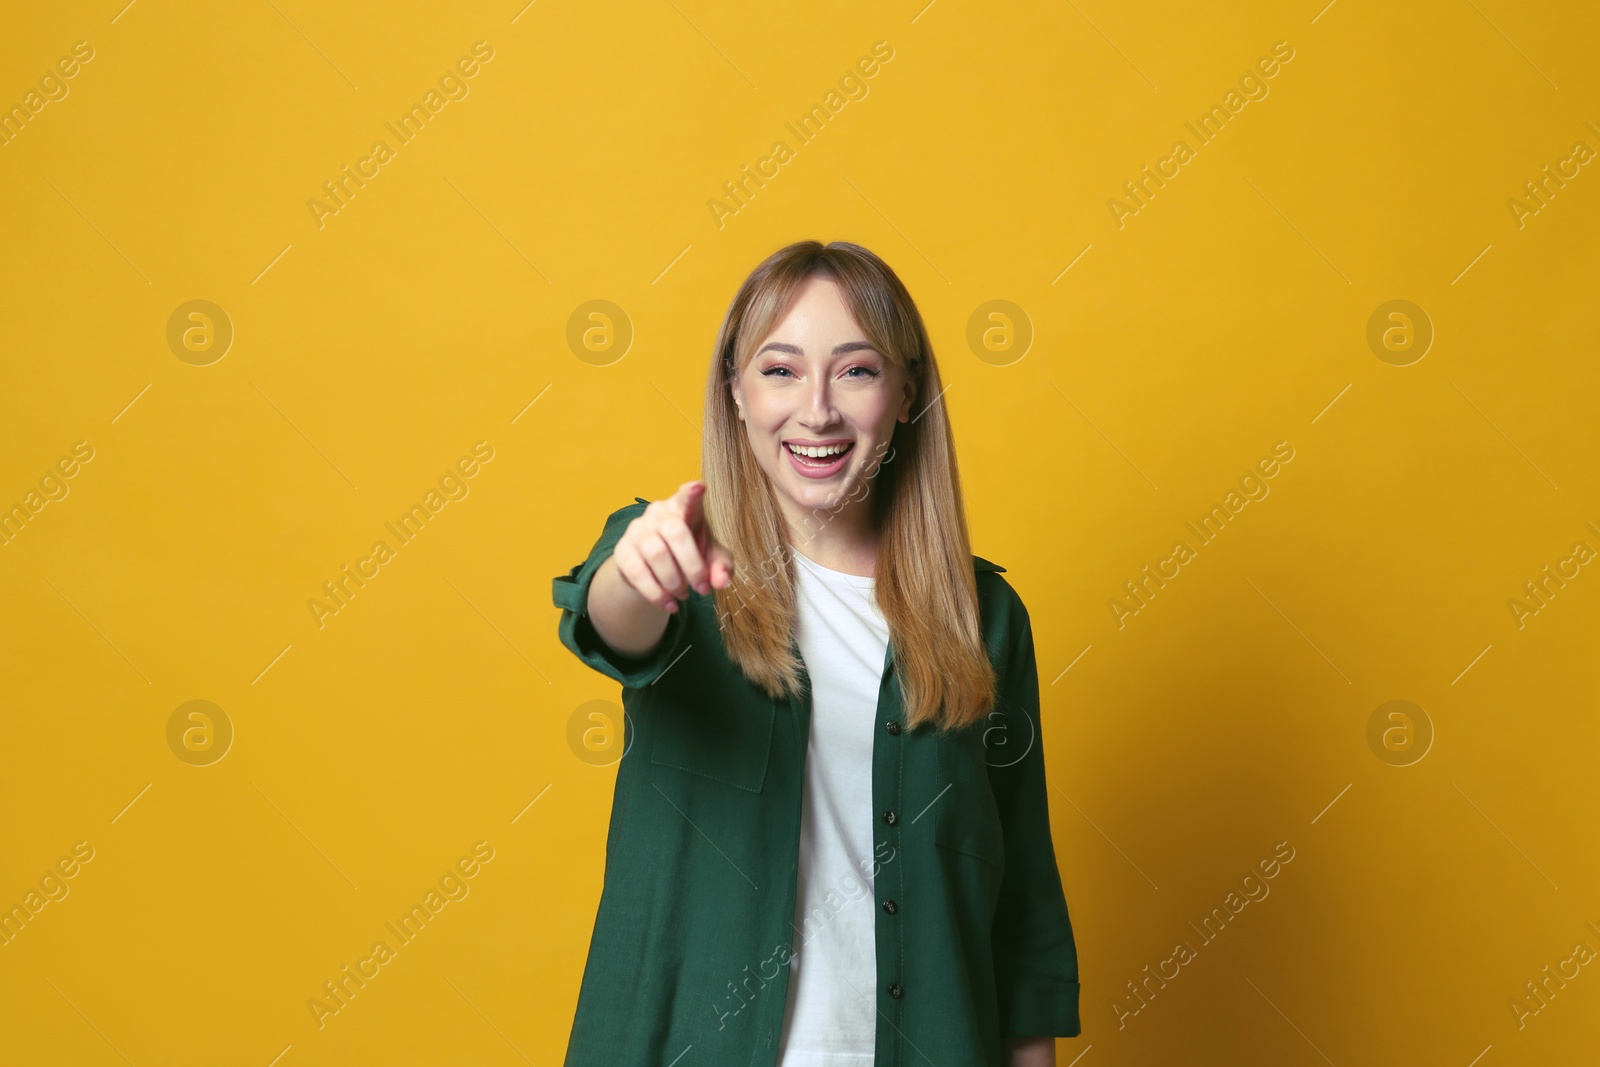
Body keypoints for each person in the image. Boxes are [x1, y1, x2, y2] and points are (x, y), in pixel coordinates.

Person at [552, 240, 1080, 1066]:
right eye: (781, 370)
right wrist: (635, 568)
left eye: (858, 371)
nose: (819, 410)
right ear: (734, 391)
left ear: (906, 393)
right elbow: (609, 622)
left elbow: (1022, 926)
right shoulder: (676, 564)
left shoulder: (987, 620)